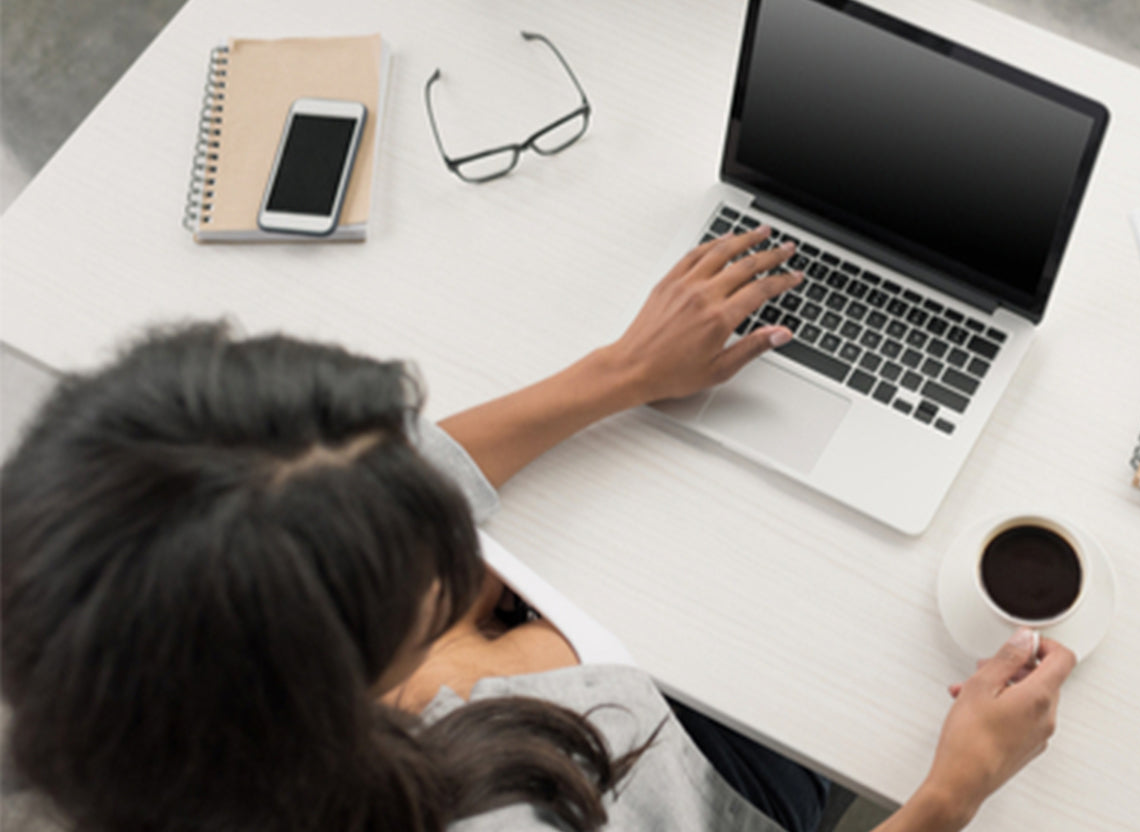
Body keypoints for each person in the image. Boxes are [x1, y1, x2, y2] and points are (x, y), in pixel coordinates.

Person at [0, 225, 1077, 832]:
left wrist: (622, 370)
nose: (425, 473)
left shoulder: (99, 636)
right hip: (707, 779)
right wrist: (952, 789)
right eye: (418, 546)